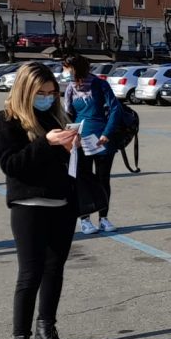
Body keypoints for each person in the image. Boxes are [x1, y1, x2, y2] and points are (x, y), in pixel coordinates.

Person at [0, 62, 88, 339]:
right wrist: (47, 142)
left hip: (62, 204)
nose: (47, 97)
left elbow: (64, 164)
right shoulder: (7, 120)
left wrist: (75, 146)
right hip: (29, 206)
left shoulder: (56, 117)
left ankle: (46, 332)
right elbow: (12, 165)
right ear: (25, 90)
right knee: (29, 275)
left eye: (51, 92)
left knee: (54, 270)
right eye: (41, 93)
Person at [62, 54, 123, 235]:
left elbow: (115, 109)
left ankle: (103, 218)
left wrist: (107, 133)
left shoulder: (100, 84)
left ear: (77, 68)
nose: (66, 72)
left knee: (103, 179)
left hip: (102, 139)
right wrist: (70, 135)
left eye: (68, 68)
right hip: (80, 140)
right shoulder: (70, 88)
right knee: (82, 179)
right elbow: (67, 114)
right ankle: (85, 219)